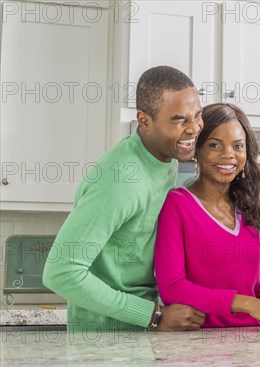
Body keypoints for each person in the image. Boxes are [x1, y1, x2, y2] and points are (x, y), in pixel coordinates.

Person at [43, 66, 206, 332]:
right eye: (180, 120)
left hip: (139, 336)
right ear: (144, 120)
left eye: (197, 115)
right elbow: (61, 272)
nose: (194, 128)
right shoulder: (119, 180)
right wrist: (153, 315)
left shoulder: (165, 158)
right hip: (104, 344)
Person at [154, 103, 260, 331]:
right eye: (215, 145)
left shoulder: (246, 208)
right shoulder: (176, 205)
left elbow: (258, 285)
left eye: (238, 146)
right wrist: (247, 304)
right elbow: (173, 287)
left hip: (251, 349)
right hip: (197, 348)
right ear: (197, 150)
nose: (228, 155)